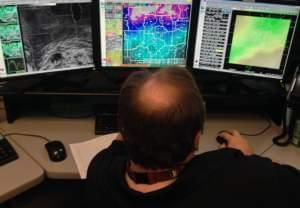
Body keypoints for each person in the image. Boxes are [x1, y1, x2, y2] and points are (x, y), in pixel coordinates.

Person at [86, 67, 300, 207]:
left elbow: (116, 147)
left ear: (122, 130)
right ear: (197, 138)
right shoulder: (241, 175)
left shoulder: (99, 171)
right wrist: (245, 159)